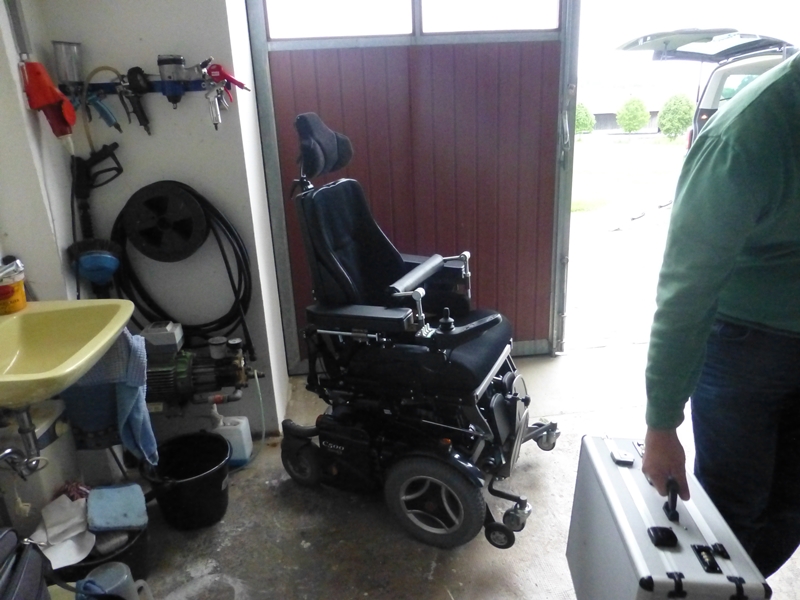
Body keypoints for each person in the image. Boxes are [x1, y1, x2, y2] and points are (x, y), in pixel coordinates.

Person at [642, 49, 800, 578]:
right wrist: (662, 423)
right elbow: (686, 290)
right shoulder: (746, 137)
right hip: (745, 348)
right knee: (735, 508)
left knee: (790, 507)